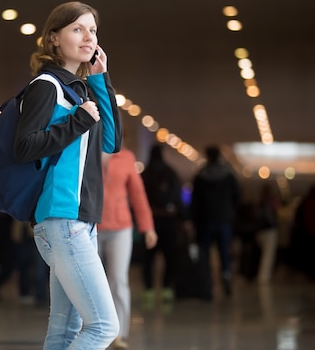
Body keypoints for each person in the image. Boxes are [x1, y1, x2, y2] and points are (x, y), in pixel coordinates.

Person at [14, 1, 123, 350]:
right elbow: (25, 146)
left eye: (92, 29)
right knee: (104, 326)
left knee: (64, 330)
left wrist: (101, 80)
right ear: (54, 39)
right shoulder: (47, 86)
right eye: (78, 28)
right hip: (63, 218)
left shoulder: (80, 90)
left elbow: (112, 141)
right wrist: (78, 120)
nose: (88, 36)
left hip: (80, 221)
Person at [98, 149, 158, 349]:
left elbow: (137, 193)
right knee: (91, 282)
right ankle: (94, 329)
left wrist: (147, 227)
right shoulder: (85, 150)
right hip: (90, 225)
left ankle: (119, 334)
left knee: (119, 279)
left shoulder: (126, 157)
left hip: (121, 227)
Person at [189, 145, 241, 299]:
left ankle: (207, 284)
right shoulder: (228, 176)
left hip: (205, 221)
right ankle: (226, 276)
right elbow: (237, 198)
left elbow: (195, 202)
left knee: (205, 253)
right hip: (224, 220)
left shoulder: (200, 176)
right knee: (224, 252)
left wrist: (192, 220)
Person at [140, 144, 185, 305]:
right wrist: (184, 218)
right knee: (169, 257)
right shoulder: (171, 173)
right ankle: (166, 287)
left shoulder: (145, 174)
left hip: (150, 220)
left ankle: (149, 289)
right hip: (169, 221)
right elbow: (178, 199)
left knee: (148, 258)